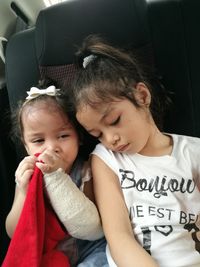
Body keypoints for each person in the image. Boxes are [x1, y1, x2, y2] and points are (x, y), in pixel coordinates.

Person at [67, 35, 200, 267]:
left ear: (142, 96)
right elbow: (119, 236)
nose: (110, 139)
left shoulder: (194, 151)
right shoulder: (106, 160)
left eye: (114, 120)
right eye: (97, 134)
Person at [5, 83, 108, 267]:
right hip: (52, 253)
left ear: (79, 136)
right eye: (38, 140)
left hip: (89, 248)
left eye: (62, 136)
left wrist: (58, 179)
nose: (52, 147)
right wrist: (23, 191)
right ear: (26, 145)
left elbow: (94, 227)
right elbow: (14, 232)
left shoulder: (86, 170)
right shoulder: (27, 177)